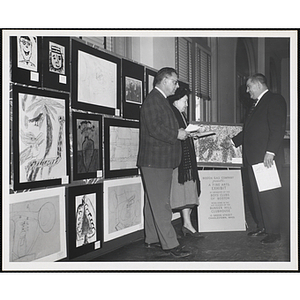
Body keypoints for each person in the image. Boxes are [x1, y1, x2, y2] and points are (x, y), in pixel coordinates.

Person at [137, 67, 191, 258]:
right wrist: (177, 133)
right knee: (161, 205)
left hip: (158, 161)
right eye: (175, 81)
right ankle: (170, 245)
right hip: (156, 161)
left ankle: (152, 239)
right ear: (164, 80)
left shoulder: (160, 100)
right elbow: (155, 129)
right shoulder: (153, 100)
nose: (177, 85)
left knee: (153, 202)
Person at [232, 73, 287, 244]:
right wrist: (232, 142)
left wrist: (270, 152)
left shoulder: (274, 100)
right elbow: (250, 130)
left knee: (269, 194)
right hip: (253, 157)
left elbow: (277, 128)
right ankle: (263, 226)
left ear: (257, 85)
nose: (247, 91)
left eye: (249, 87)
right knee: (256, 195)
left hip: (265, 158)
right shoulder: (256, 104)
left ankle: (274, 231)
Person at [168, 87, 204, 238]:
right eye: (185, 101)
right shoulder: (171, 113)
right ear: (176, 101)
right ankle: (185, 225)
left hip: (185, 160)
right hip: (178, 161)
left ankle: (187, 224)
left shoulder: (180, 114)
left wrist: (191, 134)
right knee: (181, 192)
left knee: (188, 190)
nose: (187, 104)